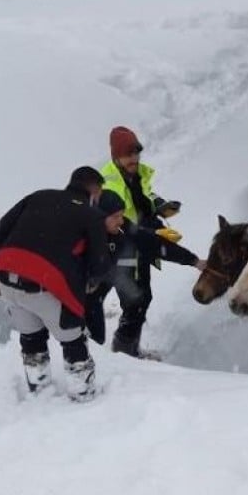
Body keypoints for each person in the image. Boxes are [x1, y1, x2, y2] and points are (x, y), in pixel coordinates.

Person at [0, 166, 115, 401]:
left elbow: (0, 229)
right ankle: (82, 394)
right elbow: (100, 263)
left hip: (7, 276)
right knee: (72, 338)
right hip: (45, 283)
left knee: (31, 336)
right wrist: (91, 281)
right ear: (94, 191)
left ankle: (39, 390)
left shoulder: (38, 196)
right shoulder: (91, 216)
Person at [99, 126, 189, 358]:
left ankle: (128, 351)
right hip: (121, 253)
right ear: (116, 156)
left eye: (136, 153)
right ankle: (124, 353)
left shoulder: (136, 176)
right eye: (128, 155)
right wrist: (153, 232)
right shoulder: (111, 184)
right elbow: (121, 223)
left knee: (142, 298)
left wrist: (159, 207)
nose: (134, 159)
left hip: (139, 249)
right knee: (135, 302)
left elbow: (145, 196)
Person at [84, 190, 207, 352]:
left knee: (139, 302)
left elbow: (156, 245)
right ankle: (89, 350)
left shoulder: (125, 229)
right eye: (116, 217)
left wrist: (194, 261)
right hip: (91, 278)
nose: (121, 221)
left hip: (120, 270)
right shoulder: (81, 232)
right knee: (89, 306)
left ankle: (124, 349)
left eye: (122, 215)